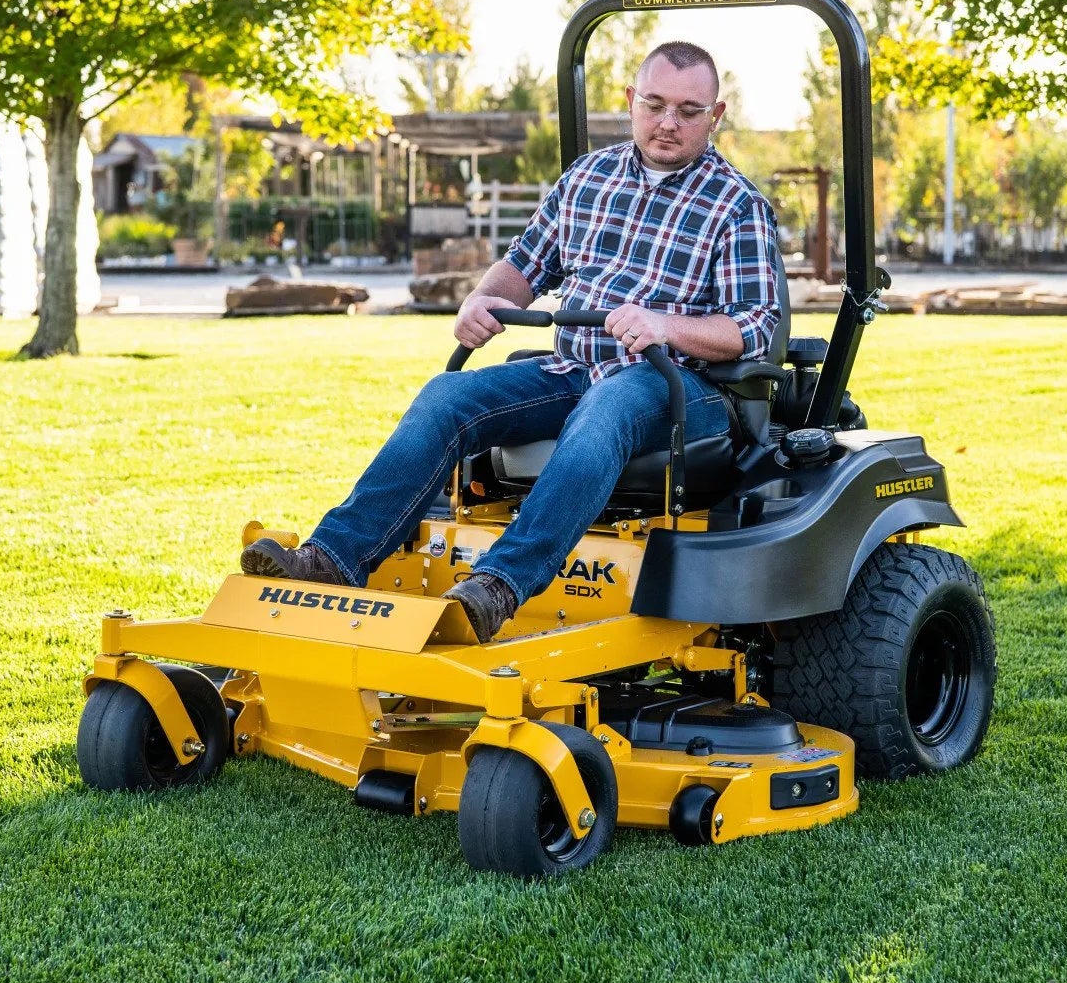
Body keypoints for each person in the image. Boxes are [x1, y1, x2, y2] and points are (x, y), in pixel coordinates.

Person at [242, 40, 781, 642]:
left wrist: (664, 326)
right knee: (448, 397)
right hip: (571, 369)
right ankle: (331, 561)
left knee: (610, 405)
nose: (668, 123)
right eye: (654, 104)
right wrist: (483, 298)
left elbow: (755, 324)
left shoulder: (737, 205)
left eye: (688, 110)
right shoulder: (587, 178)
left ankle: (497, 585)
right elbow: (524, 265)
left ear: (716, 115)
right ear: (630, 100)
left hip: (680, 387)